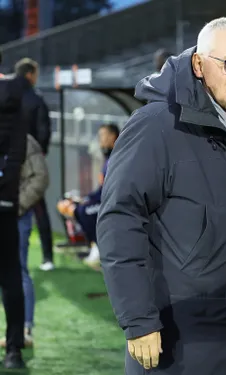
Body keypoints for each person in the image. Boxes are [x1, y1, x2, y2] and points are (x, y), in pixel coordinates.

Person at [97, 17, 226, 375]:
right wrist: (138, 319)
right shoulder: (155, 124)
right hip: (180, 337)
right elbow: (119, 220)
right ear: (198, 64)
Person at [0, 134, 49, 349]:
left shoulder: (24, 141)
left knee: (18, 271)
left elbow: (40, 177)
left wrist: (14, 206)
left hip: (15, 216)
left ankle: (24, 331)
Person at [0, 60, 31, 369]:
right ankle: (13, 351)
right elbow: (19, 149)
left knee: (10, 276)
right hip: (5, 202)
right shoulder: (16, 95)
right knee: (10, 277)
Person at [57, 123, 119, 267]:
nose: (100, 139)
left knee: (82, 211)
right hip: (104, 200)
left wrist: (86, 202)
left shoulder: (118, 157)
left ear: (113, 136)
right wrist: (85, 199)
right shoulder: (107, 158)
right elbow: (101, 189)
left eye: (103, 135)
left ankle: (98, 246)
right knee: (73, 205)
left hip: (115, 203)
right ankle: (93, 245)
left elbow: (110, 191)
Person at [14, 58, 54, 272]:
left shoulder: (8, 96)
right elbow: (44, 130)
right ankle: (48, 257)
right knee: (39, 209)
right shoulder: (36, 99)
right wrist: (39, 153)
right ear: (30, 74)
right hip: (31, 163)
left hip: (8, 160)